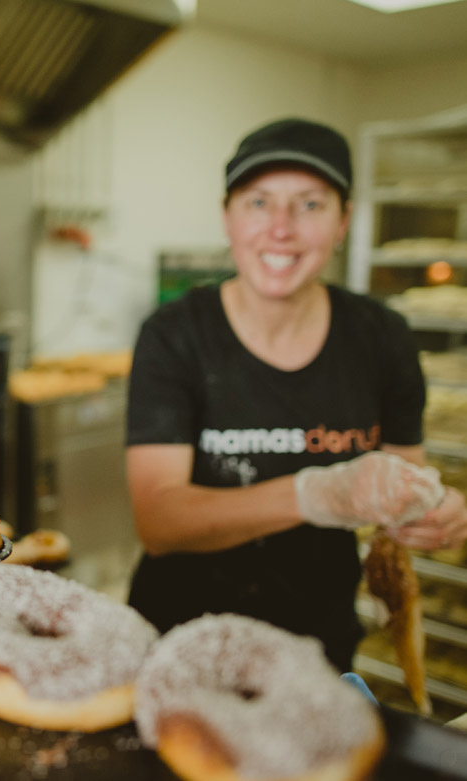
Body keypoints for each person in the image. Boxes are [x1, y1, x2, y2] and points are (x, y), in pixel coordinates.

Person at [125, 117, 467, 670]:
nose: (280, 229)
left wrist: (434, 510)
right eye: (258, 202)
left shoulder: (382, 337)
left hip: (316, 642)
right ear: (227, 217)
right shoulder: (174, 335)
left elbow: (403, 487)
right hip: (177, 638)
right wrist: (319, 493)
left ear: (343, 222)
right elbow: (160, 523)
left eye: (310, 205)